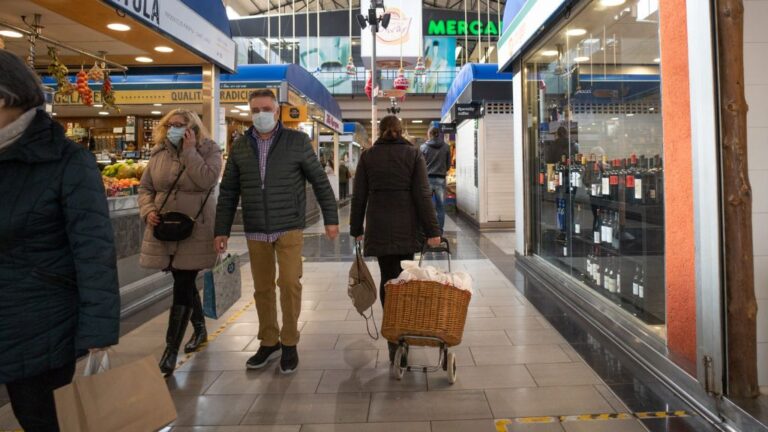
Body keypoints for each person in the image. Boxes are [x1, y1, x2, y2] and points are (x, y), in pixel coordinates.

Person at [0, 50, 120, 431]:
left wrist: (98, 333)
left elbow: (94, 252)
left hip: (40, 326)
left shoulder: (67, 162)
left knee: (42, 420)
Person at [214, 89, 339, 374]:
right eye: (255, 110)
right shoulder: (241, 146)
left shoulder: (297, 142)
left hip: (289, 226)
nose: (261, 114)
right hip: (255, 227)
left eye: (266, 108)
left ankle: (290, 341)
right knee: (262, 289)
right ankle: (269, 341)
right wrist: (220, 229)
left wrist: (331, 218)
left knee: (289, 283)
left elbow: (320, 181)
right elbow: (229, 191)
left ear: (277, 110)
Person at [350, 116, 442, 363]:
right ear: (401, 131)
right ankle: (404, 332)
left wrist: (356, 227)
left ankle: (392, 338)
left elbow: (358, 195)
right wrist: (433, 231)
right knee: (405, 278)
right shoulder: (413, 155)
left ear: (379, 132)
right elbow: (423, 195)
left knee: (386, 279)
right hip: (407, 224)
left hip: (379, 223)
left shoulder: (368, 156)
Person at [138, 109, 222, 375]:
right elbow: (146, 188)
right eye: (171, 125)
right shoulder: (158, 153)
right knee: (181, 280)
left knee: (184, 281)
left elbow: (208, 180)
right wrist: (148, 210)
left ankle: (170, 350)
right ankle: (199, 329)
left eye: (181, 126)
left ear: (193, 129)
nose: (174, 129)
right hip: (166, 228)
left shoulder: (209, 150)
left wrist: (189, 151)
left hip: (195, 228)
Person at [420, 126, 452, 233]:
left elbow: (421, 166)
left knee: (426, 207)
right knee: (440, 208)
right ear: (439, 134)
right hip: (441, 180)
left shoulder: (423, 147)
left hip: (427, 179)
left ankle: (427, 231)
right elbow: (448, 166)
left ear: (429, 134)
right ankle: (439, 232)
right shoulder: (446, 147)